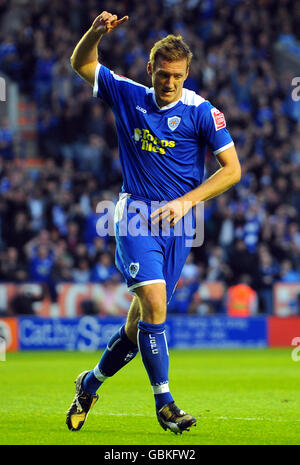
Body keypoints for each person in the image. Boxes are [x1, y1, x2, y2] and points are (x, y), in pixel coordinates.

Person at [66, 11, 241, 434]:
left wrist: (186, 202)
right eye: (164, 75)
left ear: (187, 74)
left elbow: (232, 169)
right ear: (151, 70)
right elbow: (82, 64)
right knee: (157, 307)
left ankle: (89, 385)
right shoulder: (129, 94)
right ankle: (165, 403)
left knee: (136, 326)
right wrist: (93, 34)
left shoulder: (202, 112)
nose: (170, 83)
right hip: (136, 215)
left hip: (180, 225)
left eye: (178, 76)